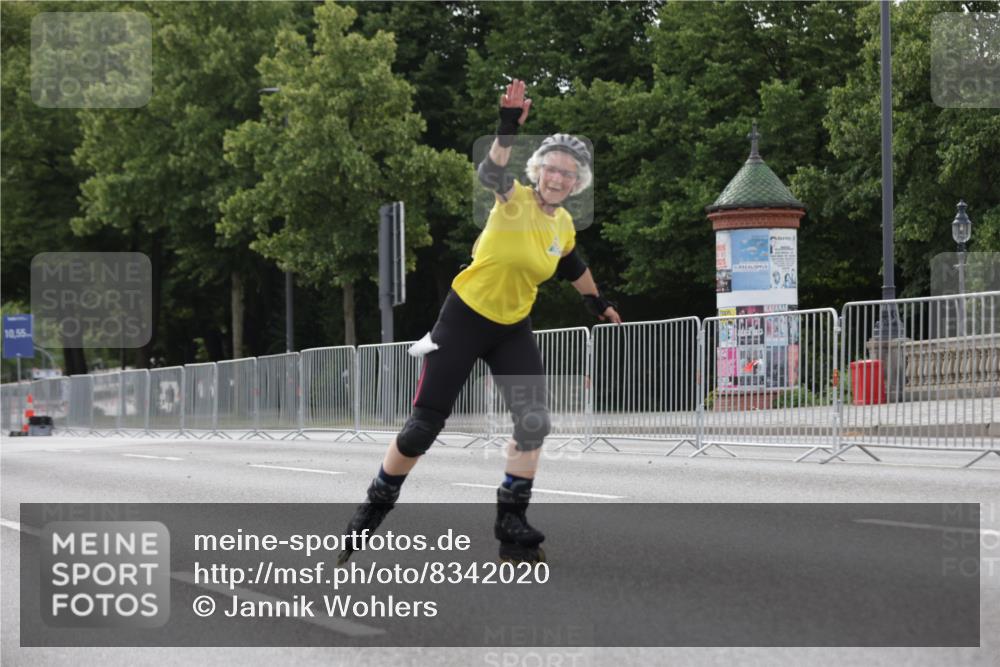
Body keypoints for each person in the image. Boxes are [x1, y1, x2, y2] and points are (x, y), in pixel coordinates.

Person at [339, 78, 622, 564]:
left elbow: (572, 264)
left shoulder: (563, 224)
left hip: (511, 326)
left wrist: (596, 303)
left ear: (577, 184)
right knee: (422, 429)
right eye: (551, 169)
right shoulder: (511, 198)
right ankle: (374, 505)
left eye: (568, 174)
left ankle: (511, 523)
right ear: (538, 173)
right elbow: (491, 172)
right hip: (465, 317)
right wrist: (507, 127)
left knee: (533, 423)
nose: (558, 178)